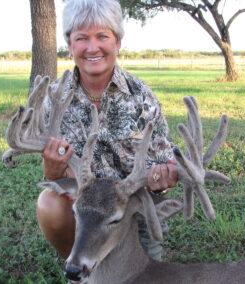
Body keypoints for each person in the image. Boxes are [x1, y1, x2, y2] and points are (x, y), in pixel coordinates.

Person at [36, 0, 178, 261]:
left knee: (146, 273)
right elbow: (53, 175)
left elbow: (162, 168)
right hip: (85, 208)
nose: (92, 47)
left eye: (102, 36)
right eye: (82, 38)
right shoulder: (55, 98)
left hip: (129, 208)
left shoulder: (142, 97)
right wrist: (52, 168)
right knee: (49, 203)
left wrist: (162, 181)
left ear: (117, 42)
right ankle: (80, 266)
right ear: (69, 46)